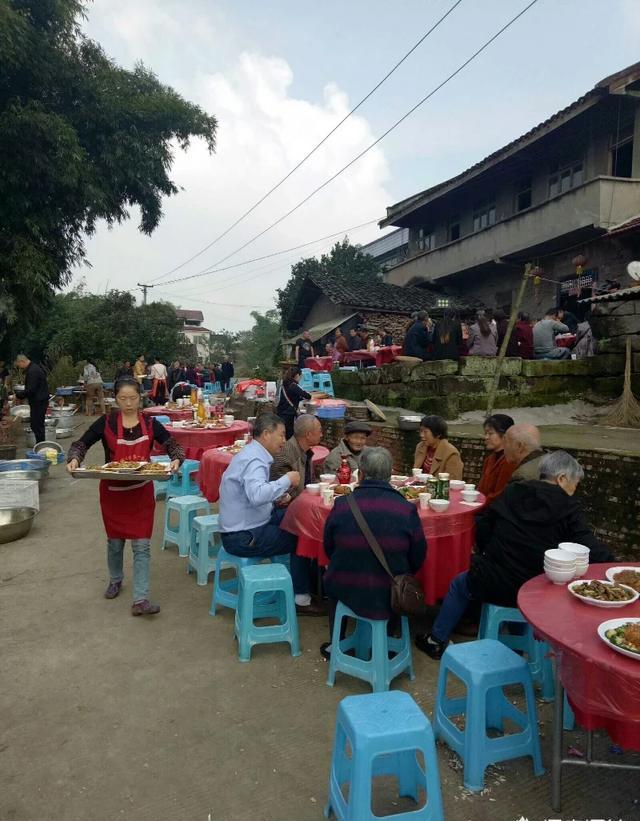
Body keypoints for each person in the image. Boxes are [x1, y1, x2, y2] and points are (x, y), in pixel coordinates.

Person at [415, 451, 613, 658]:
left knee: (460, 583)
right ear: (561, 478)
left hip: (492, 580)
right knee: (523, 592)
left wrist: (486, 553)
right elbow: (589, 548)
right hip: (535, 589)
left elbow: (484, 527)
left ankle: (436, 640)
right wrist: (617, 567)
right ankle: (517, 649)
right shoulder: (569, 507)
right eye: (575, 483)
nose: (574, 490)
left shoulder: (513, 491)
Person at [66, 377, 184, 615]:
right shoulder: (107, 422)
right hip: (113, 493)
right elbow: (82, 443)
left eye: (132, 398)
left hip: (140, 493)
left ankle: (140, 599)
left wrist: (176, 459)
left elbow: (173, 445)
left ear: (140, 398)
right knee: (115, 542)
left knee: (142, 546)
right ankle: (115, 579)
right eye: (123, 399)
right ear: (116, 399)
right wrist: (74, 458)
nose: (128, 403)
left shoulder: (150, 424)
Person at [321, 446, 427, 658]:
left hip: (345, 585)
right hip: (389, 591)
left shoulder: (342, 505)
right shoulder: (405, 509)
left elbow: (328, 547)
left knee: (333, 574)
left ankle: (337, 643)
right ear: (390, 476)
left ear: (360, 473)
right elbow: (418, 555)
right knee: (398, 578)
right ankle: (386, 644)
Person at [218, 412, 323, 615]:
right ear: (266, 434)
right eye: (282, 435)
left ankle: (310, 583)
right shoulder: (255, 460)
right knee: (301, 535)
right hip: (243, 536)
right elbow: (256, 495)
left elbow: (251, 496)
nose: (284, 441)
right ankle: (301, 598)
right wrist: (286, 480)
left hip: (251, 522)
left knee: (301, 519)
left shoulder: (252, 453)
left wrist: (276, 497)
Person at [270, 414, 323, 500]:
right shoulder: (284, 455)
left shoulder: (305, 452)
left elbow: (310, 483)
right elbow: (282, 496)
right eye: (320, 431)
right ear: (308, 434)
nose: (321, 435)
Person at [477, 414, 516, 505]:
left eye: (490, 433)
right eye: (485, 433)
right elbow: (481, 488)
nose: (486, 437)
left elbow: (500, 494)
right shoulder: (490, 459)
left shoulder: (509, 461)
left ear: (504, 435)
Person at [14, 354, 49, 444]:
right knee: (35, 424)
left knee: (37, 425)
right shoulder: (33, 368)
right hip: (38, 400)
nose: (20, 367)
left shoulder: (33, 371)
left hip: (39, 401)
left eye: (19, 365)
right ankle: (40, 444)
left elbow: (31, 389)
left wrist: (18, 395)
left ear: (22, 361)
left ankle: (41, 445)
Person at [276, 366, 312, 439]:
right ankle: (287, 449)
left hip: (281, 412)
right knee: (288, 434)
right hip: (288, 414)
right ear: (297, 375)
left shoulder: (284, 384)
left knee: (281, 433)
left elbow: (292, 396)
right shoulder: (293, 386)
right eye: (301, 376)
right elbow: (307, 396)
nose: (300, 378)